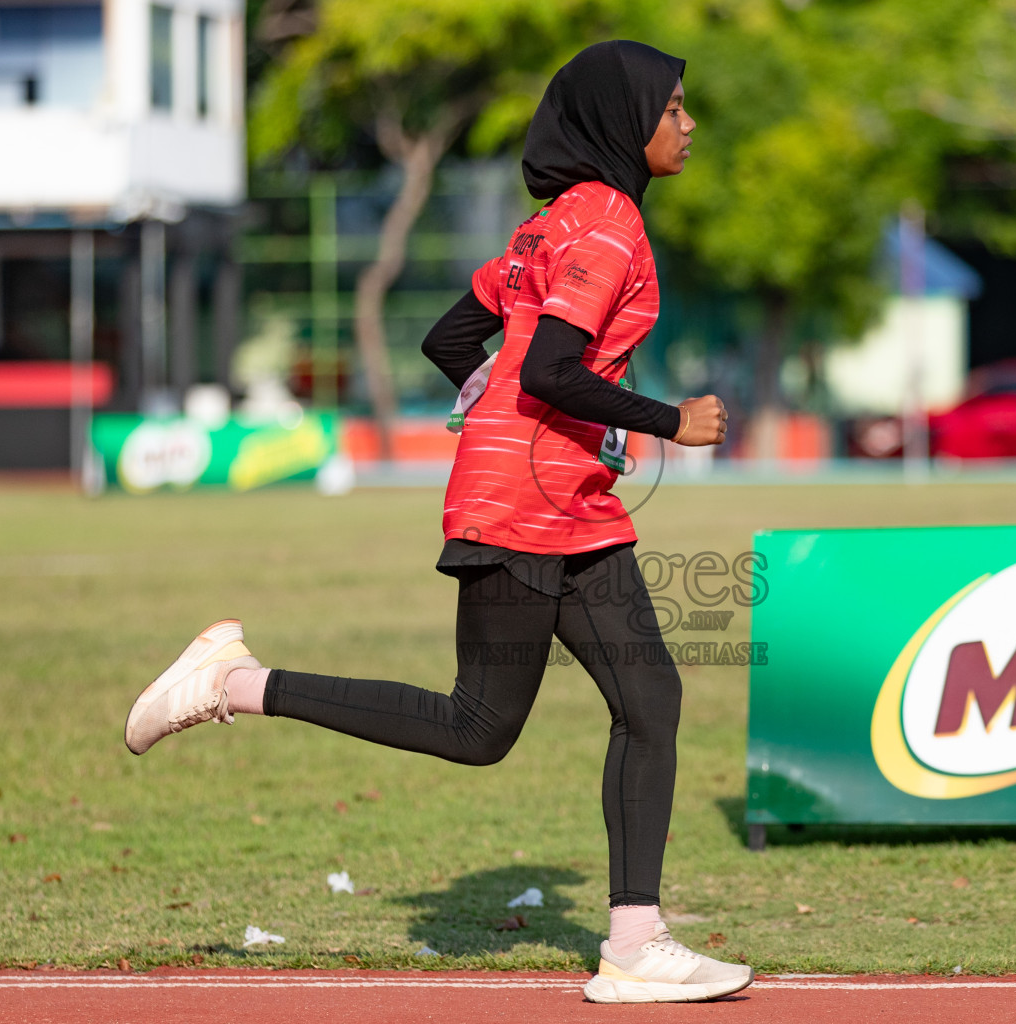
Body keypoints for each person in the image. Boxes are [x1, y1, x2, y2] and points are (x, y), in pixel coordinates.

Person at [123, 40, 748, 1005]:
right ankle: (233, 683)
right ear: (627, 125)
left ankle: (635, 943)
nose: (688, 122)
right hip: (521, 504)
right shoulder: (608, 224)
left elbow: (454, 340)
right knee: (478, 727)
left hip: (569, 499)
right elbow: (543, 370)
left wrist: (516, 414)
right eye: (672, 107)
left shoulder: (550, 227)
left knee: (651, 698)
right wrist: (670, 422)